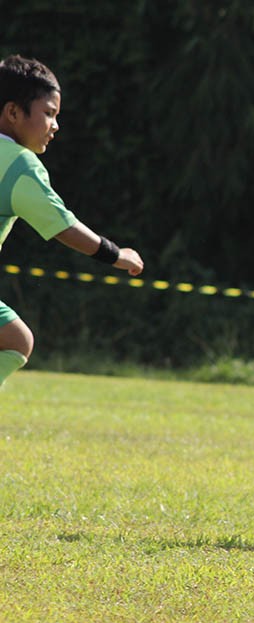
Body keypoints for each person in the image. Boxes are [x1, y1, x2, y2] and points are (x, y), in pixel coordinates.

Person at [0, 55, 144, 388]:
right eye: (48, 113)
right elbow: (62, 225)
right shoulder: (19, 164)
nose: (55, 125)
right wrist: (115, 254)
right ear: (13, 112)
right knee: (17, 341)